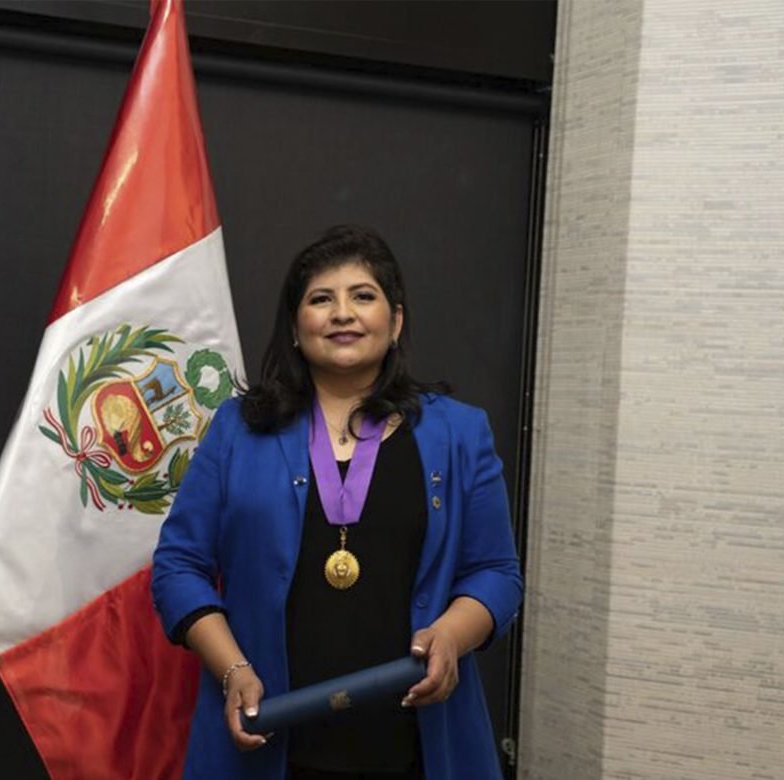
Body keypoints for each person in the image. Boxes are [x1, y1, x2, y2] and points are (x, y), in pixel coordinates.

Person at [151, 225, 523, 780]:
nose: (342, 313)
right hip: (268, 739)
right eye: (321, 299)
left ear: (395, 322)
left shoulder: (460, 434)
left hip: (416, 745)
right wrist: (233, 671)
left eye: (363, 296)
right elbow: (178, 566)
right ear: (295, 328)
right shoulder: (238, 429)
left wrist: (451, 635)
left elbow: (496, 572)